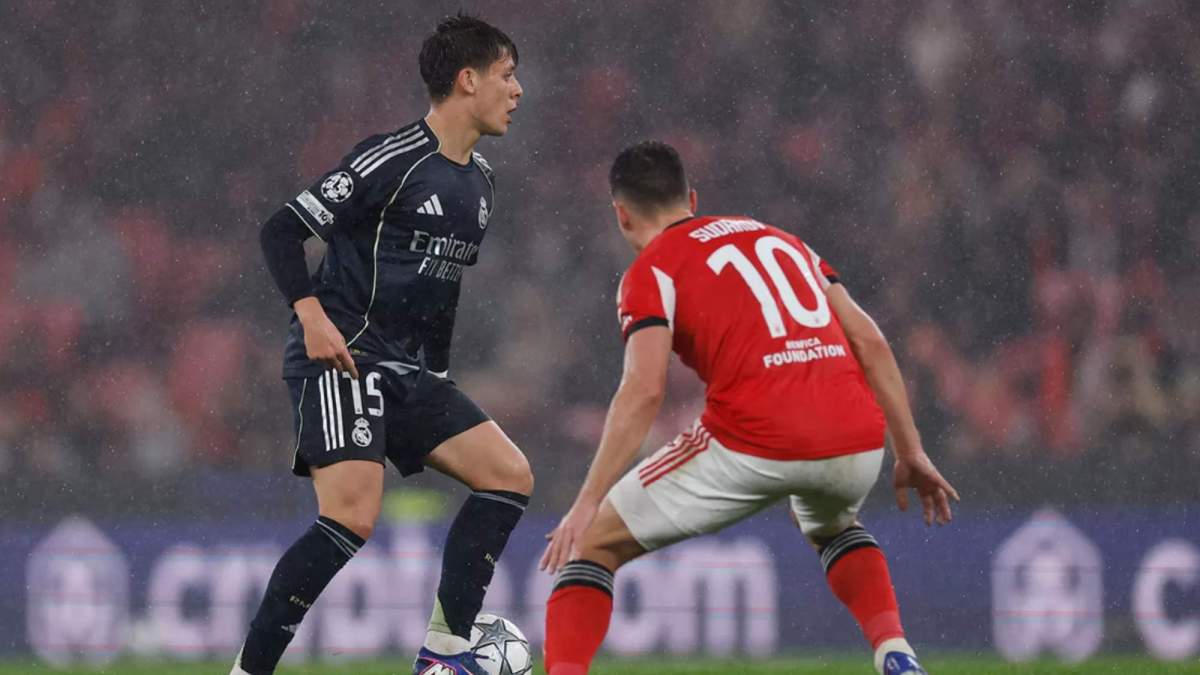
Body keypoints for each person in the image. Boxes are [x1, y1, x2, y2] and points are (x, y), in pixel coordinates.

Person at [539, 141, 959, 675]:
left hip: (756, 437)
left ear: (621, 216)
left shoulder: (651, 270)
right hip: (856, 437)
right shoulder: (784, 240)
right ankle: (895, 651)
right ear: (692, 198)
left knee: (590, 547)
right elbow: (871, 343)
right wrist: (909, 449)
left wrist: (585, 501)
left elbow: (645, 390)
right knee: (833, 525)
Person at [232, 14, 529, 675]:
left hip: (411, 370)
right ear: (467, 79)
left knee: (508, 476)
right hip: (345, 357)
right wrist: (308, 313)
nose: (517, 91)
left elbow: (443, 291)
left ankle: (445, 651)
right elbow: (280, 231)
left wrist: (441, 375)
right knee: (352, 517)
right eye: (507, 76)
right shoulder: (389, 159)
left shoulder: (480, 182)